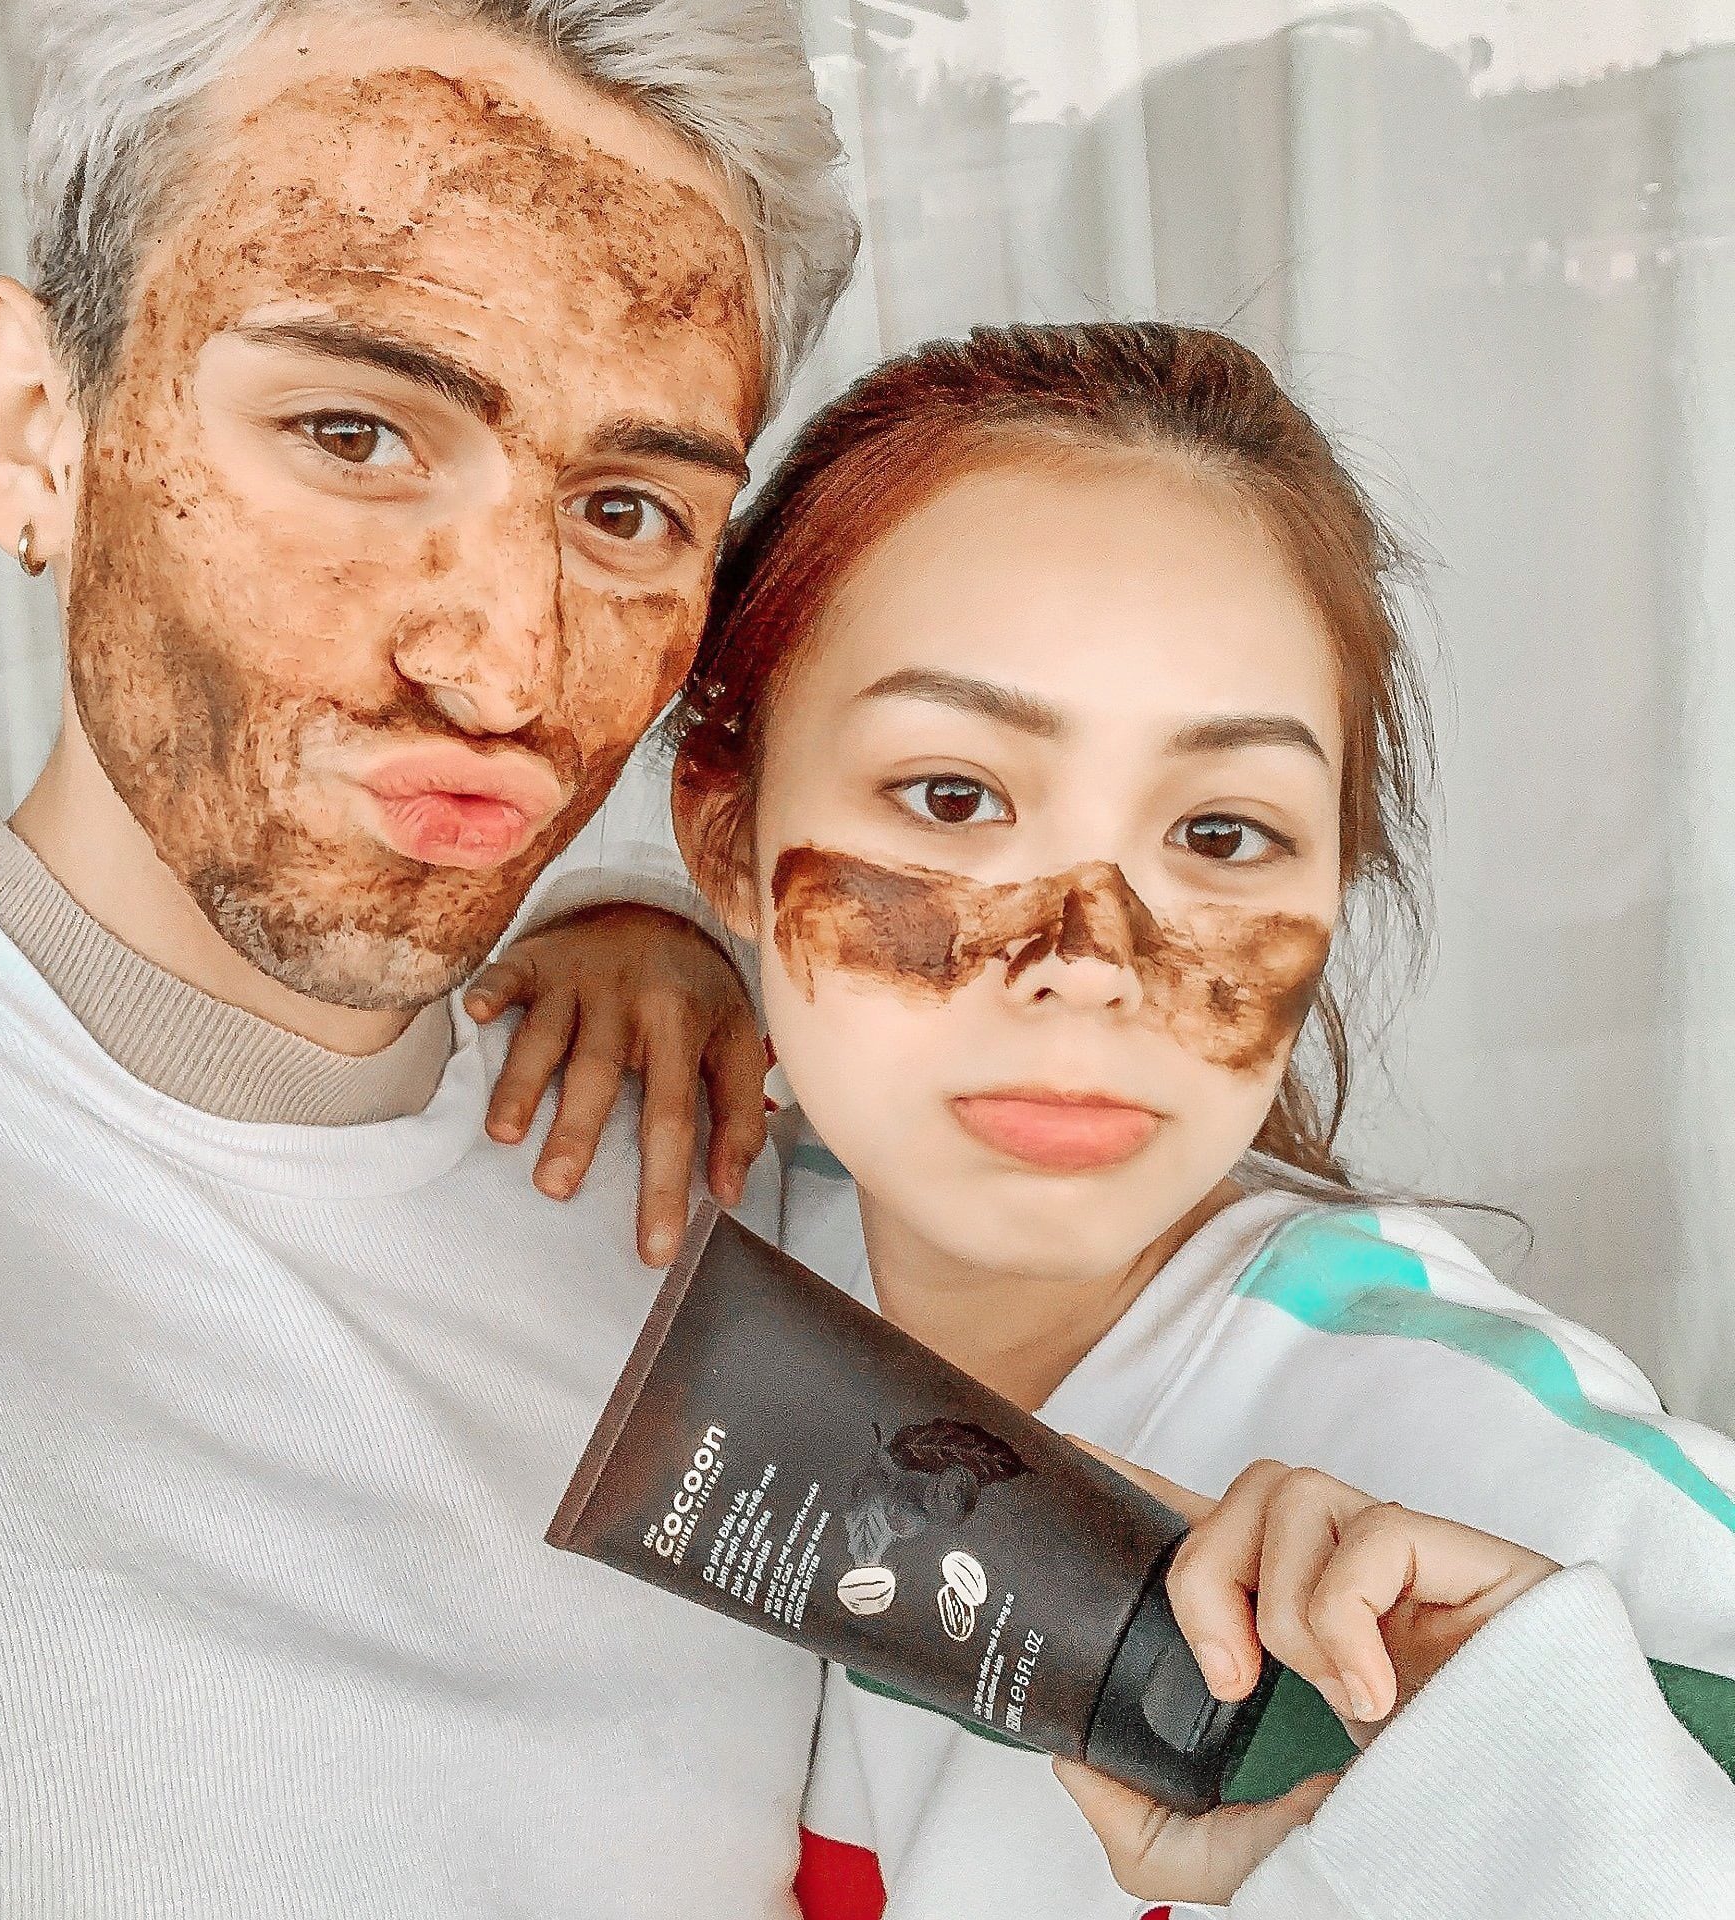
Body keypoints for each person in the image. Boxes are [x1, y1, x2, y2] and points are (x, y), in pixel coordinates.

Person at [0, 1, 859, 1910]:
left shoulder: (733, 1219)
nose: (504, 668)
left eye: (627, 511)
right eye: (355, 433)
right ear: (33, 430)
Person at [487, 319, 1735, 1916]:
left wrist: (1528, 1794)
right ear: (723, 832)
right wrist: (617, 926)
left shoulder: (1510, 1491)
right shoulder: (697, 1248)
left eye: (1220, 833)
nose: (1088, 962)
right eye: (954, 797)